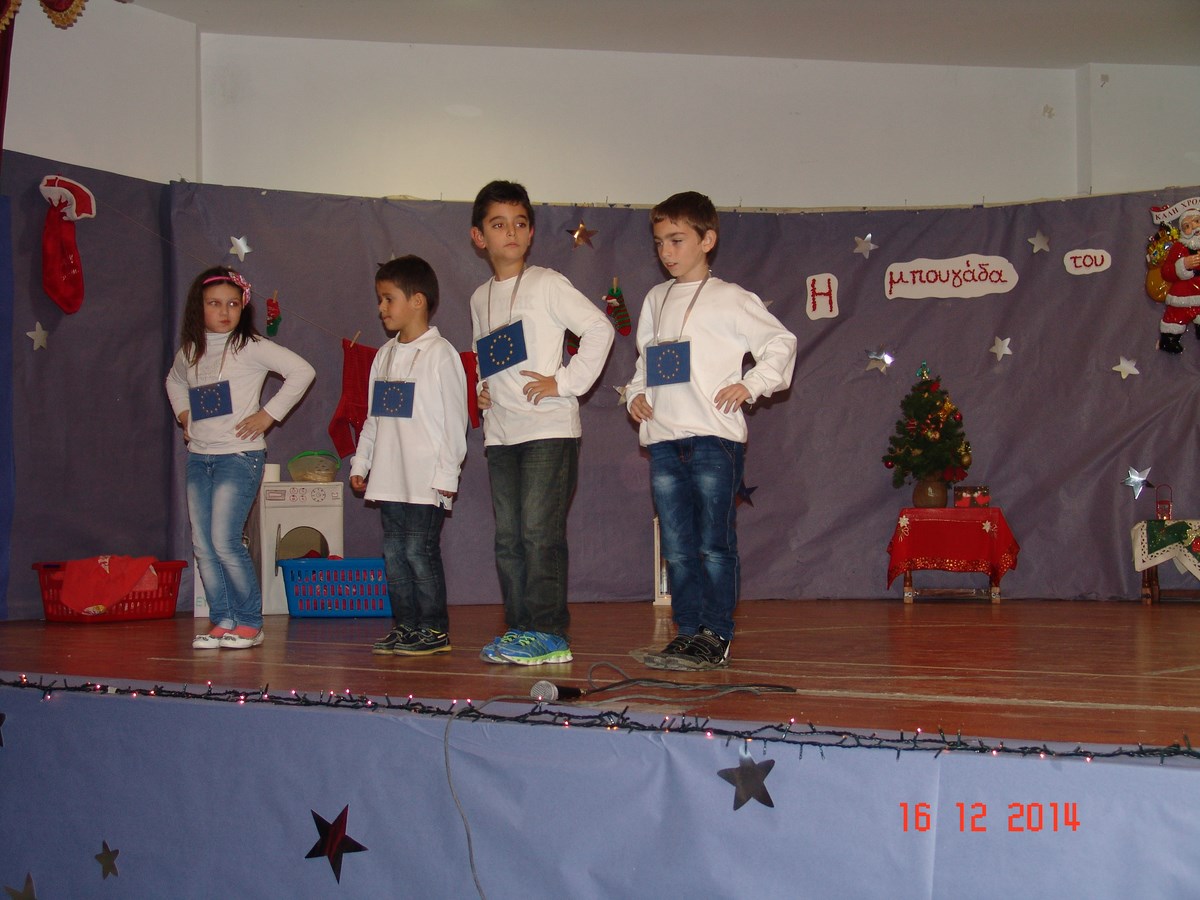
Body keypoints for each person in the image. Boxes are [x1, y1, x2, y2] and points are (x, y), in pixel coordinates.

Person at [624, 191, 797, 670]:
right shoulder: (655, 299)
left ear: (707, 240)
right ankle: (687, 632)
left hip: (713, 440)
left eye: (677, 240)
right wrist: (636, 394)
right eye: (660, 242)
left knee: (713, 545)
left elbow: (780, 342)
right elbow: (645, 363)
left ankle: (716, 633)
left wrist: (751, 384)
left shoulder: (732, 298)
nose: (667, 251)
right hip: (663, 440)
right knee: (677, 547)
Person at [469, 180, 614, 665]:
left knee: (538, 533)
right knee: (508, 539)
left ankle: (550, 633)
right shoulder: (479, 297)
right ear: (479, 237)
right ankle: (520, 630)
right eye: (498, 224)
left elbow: (599, 328)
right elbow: (483, 355)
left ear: (530, 233)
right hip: (501, 434)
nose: (510, 232)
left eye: (520, 223)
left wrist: (566, 381)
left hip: (548, 432)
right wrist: (482, 389)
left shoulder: (548, 283)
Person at [166, 266, 315, 650]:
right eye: (214, 303)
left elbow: (302, 371)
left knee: (224, 540)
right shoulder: (191, 351)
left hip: (238, 456)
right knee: (203, 544)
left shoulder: (250, 346)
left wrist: (268, 415)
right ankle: (223, 619)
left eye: (233, 304)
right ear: (198, 307)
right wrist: (184, 415)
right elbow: (174, 381)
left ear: (243, 307)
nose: (224, 311)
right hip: (199, 457)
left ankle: (250, 621)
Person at [349, 256, 468, 656]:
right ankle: (406, 626)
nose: (381, 308)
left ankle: (434, 629)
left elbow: (455, 422)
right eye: (379, 299)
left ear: (417, 301)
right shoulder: (383, 356)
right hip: (389, 478)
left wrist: (446, 476)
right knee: (395, 555)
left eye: (388, 299)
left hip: (425, 479)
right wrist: (362, 463)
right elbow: (374, 419)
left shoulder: (441, 354)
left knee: (419, 551)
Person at [1157, 209, 1200, 353]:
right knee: (1175, 316)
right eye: (1187, 226)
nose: (1194, 227)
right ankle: (1169, 339)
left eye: (1197, 221)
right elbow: (1166, 272)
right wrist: (1183, 265)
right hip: (1183, 293)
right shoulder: (1178, 248)